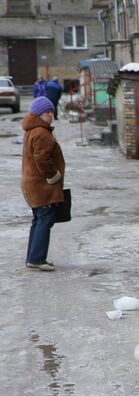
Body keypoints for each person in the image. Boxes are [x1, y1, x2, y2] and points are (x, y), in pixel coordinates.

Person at [21, 97, 66, 272]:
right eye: (46, 113)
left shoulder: (32, 130)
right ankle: (37, 259)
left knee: (38, 219)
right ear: (38, 114)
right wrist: (53, 176)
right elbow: (42, 159)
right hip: (41, 185)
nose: (50, 116)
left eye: (52, 112)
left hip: (32, 184)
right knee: (45, 219)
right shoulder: (41, 132)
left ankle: (33, 257)